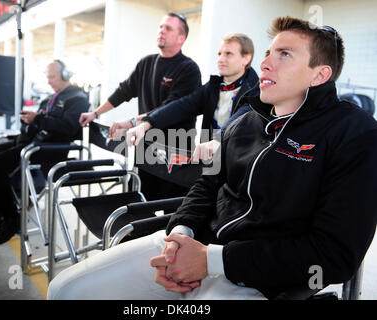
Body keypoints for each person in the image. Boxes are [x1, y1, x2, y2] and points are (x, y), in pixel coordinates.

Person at [47, 16, 377, 300]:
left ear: (319, 75)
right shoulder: (246, 120)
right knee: (64, 290)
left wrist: (213, 260)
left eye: (285, 54)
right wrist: (181, 235)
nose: (265, 64)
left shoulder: (353, 133)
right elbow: (207, 184)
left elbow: (333, 254)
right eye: (267, 54)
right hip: (194, 247)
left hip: (261, 279)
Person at [79, 13, 201, 200]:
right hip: (145, 150)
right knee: (138, 208)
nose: (161, 31)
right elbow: (124, 91)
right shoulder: (146, 63)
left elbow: (171, 108)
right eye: (161, 26)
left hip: (176, 155)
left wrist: (130, 122)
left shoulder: (189, 69)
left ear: (181, 38)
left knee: (172, 217)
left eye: (168, 28)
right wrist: (95, 113)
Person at [0, 60, 89, 246]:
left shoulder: (78, 98)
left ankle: (11, 219)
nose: (48, 81)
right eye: (47, 77)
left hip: (49, 149)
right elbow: (42, 121)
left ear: (65, 75)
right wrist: (29, 121)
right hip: (32, 142)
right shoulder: (50, 98)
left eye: (52, 77)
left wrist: (38, 119)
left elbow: (68, 128)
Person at [122, 33, 259, 160]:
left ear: (246, 59)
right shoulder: (212, 87)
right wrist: (146, 124)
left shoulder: (257, 91)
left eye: (228, 54)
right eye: (219, 54)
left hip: (239, 168)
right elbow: (181, 106)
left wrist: (218, 141)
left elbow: (240, 121)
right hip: (209, 164)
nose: (221, 59)